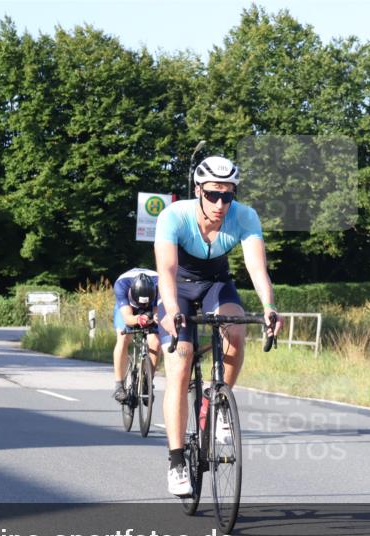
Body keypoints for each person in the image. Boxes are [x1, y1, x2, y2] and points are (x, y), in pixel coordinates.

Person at [155, 155, 282, 496]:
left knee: (236, 330)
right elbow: (165, 270)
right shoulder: (174, 216)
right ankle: (177, 460)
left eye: (228, 195)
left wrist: (269, 307)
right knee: (180, 361)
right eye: (213, 195)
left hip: (216, 284)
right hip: (177, 287)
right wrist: (171, 309)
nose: (221, 203)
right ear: (198, 190)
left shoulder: (245, 216)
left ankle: (217, 404)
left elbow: (257, 269)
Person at [111, 269, 161, 403]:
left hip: (151, 304)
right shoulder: (121, 285)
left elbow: (157, 314)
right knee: (123, 338)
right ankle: (119, 385)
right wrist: (139, 319)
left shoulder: (160, 284)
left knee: (155, 342)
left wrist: (152, 318)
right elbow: (127, 318)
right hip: (129, 308)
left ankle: (147, 381)